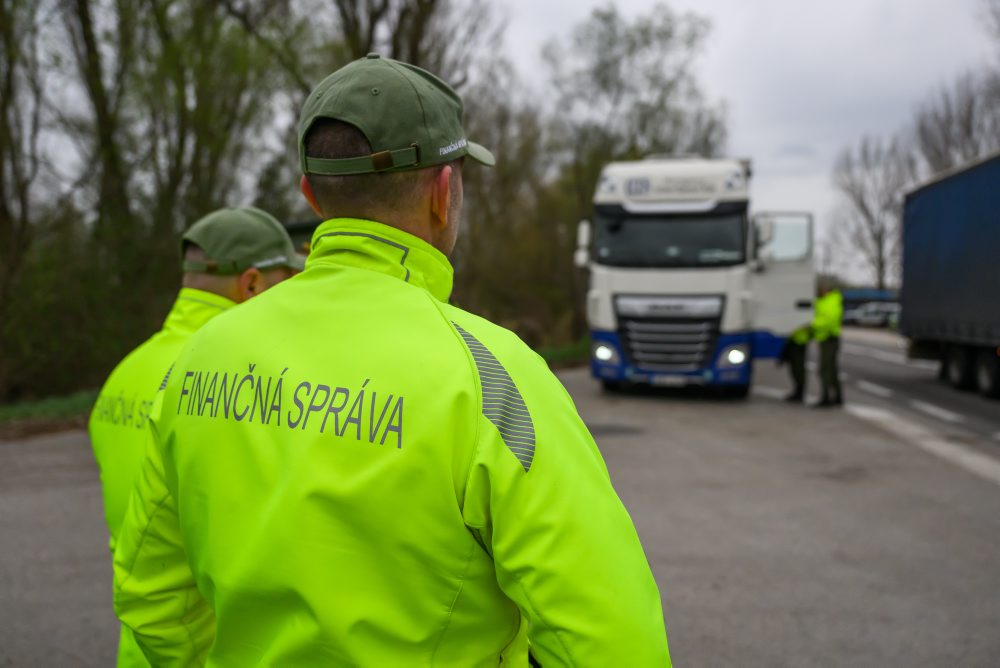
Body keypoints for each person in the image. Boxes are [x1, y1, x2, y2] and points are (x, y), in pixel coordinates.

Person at [112, 54, 671, 666]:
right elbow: (612, 641)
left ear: (310, 192)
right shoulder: (491, 377)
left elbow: (151, 597)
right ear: (442, 192)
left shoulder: (199, 356)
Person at [89, 207, 302, 667]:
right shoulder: (240, 379)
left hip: (143, 647)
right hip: (212, 649)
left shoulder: (123, 372)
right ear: (251, 285)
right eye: (287, 280)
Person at [812, 284, 844, 407]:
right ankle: (836, 397)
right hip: (825, 338)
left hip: (828, 338)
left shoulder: (831, 301)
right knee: (831, 369)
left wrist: (812, 324)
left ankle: (827, 397)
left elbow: (828, 321)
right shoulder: (825, 301)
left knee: (825, 369)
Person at [781, 325, 811, 403]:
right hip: (793, 338)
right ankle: (798, 391)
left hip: (799, 341)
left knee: (798, 368)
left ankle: (800, 392)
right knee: (794, 368)